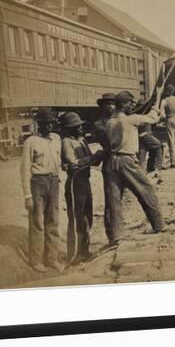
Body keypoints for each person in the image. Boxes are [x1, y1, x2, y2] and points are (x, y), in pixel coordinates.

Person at [104, 90, 165, 244]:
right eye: (130, 102)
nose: (132, 105)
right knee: (146, 190)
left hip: (112, 161)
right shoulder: (131, 120)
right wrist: (156, 103)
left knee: (114, 200)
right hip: (127, 160)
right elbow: (153, 118)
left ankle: (116, 236)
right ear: (123, 104)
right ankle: (159, 225)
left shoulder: (109, 122)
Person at [20, 108, 62, 273]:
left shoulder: (57, 139)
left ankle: (52, 259)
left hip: (54, 182)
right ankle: (36, 260)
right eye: (45, 123)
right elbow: (24, 169)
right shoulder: (31, 142)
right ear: (39, 124)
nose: (49, 126)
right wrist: (27, 195)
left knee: (53, 221)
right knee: (37, 222)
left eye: (51, 123)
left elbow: (59, 161)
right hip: (37, 182)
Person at [60, 112, 104, 264]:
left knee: (87, 217)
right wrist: (94, 157)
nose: (80, 128)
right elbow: (73, 163)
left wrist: (101, 155)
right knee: (76, 218)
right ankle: (73, 255)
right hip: (75, 183)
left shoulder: (83, 141)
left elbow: (93, 162)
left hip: (85, 181)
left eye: (80, 126)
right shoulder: (66, 142)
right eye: (76, 127)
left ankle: (84, 250)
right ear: (69, 129)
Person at [93, 93, 117, 243]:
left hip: (124, 161)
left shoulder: (121, 120)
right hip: (109, 161)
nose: (110, 106)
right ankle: (112, 236)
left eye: (112, 103)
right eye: (106, 104)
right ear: (102, 106)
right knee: (110, 199)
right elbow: (108, 143)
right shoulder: (99, 125)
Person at [136, 100, 163, 179]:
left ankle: (143, 174)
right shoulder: (143, 116)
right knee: (158, 146)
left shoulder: (139, 115)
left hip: (142, 137)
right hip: (145, 135)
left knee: (142, 156)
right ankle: (156, 168)